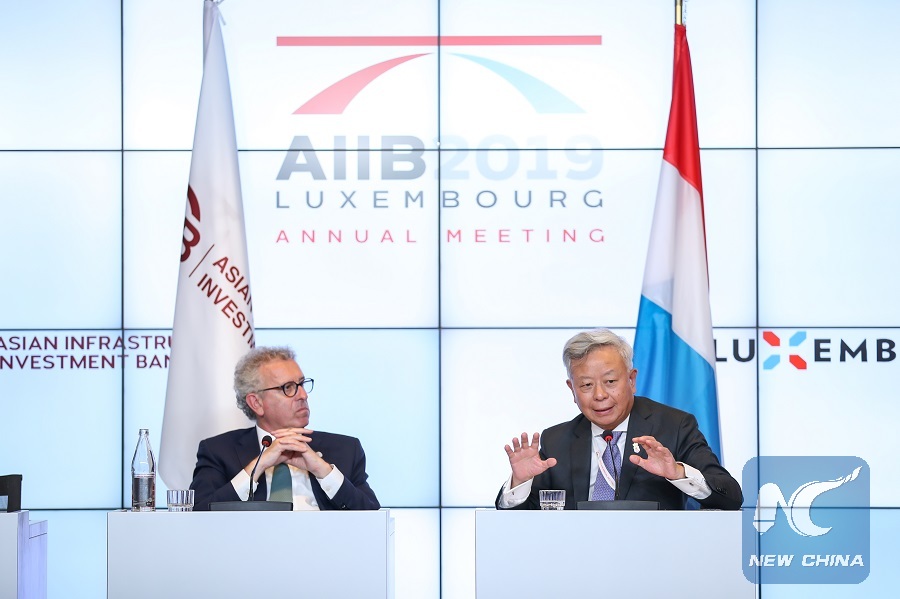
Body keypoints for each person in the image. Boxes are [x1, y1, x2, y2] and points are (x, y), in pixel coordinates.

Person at [496, 329, 742, 511]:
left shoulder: (674, 427)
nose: (600, 395)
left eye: (610, 381)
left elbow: (730, 496)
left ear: (631, 380)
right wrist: (520, 482)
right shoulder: (556, 441)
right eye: (586, 385)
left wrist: (677, 473)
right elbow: (523, 524)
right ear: (572, 389)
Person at [190, 346, 380, 511]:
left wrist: (323, 471)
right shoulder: (219, 451)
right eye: (288, 387)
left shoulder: (345, 449)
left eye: (302, 384)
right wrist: (258, 466)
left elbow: (374, 518)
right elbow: (198, 515)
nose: (303, 395)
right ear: (256, 403)